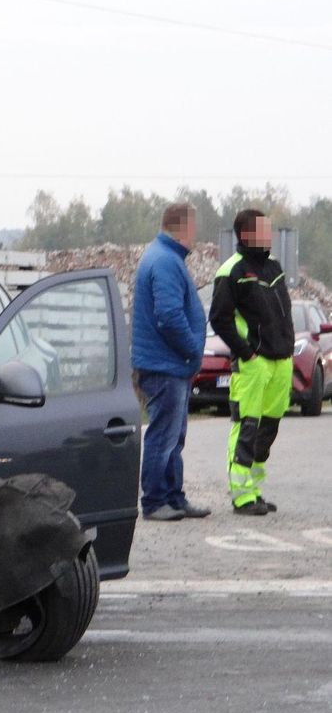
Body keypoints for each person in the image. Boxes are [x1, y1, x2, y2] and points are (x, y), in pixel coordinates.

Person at [209, 209, 293, 515]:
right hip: (253, 365)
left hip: (280, 362)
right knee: (247, 426)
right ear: (246, 234)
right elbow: (219, 319)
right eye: (263, 230)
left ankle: (255, 490)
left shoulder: (274, 267)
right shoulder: (231, 271)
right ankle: (241, 496)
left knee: (268, 428)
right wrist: (246, 353)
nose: (269, 235)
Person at [131, 203, 210, 521]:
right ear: (184, 227)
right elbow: (169, 316)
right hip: (165, 366)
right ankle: (154, 501)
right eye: (194, 228)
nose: (196, 235)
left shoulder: (166, 257)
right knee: (163, 436)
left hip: (170, 366)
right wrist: (193, 350)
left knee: (173, 436)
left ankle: (174, 498)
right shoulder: (164, 261)